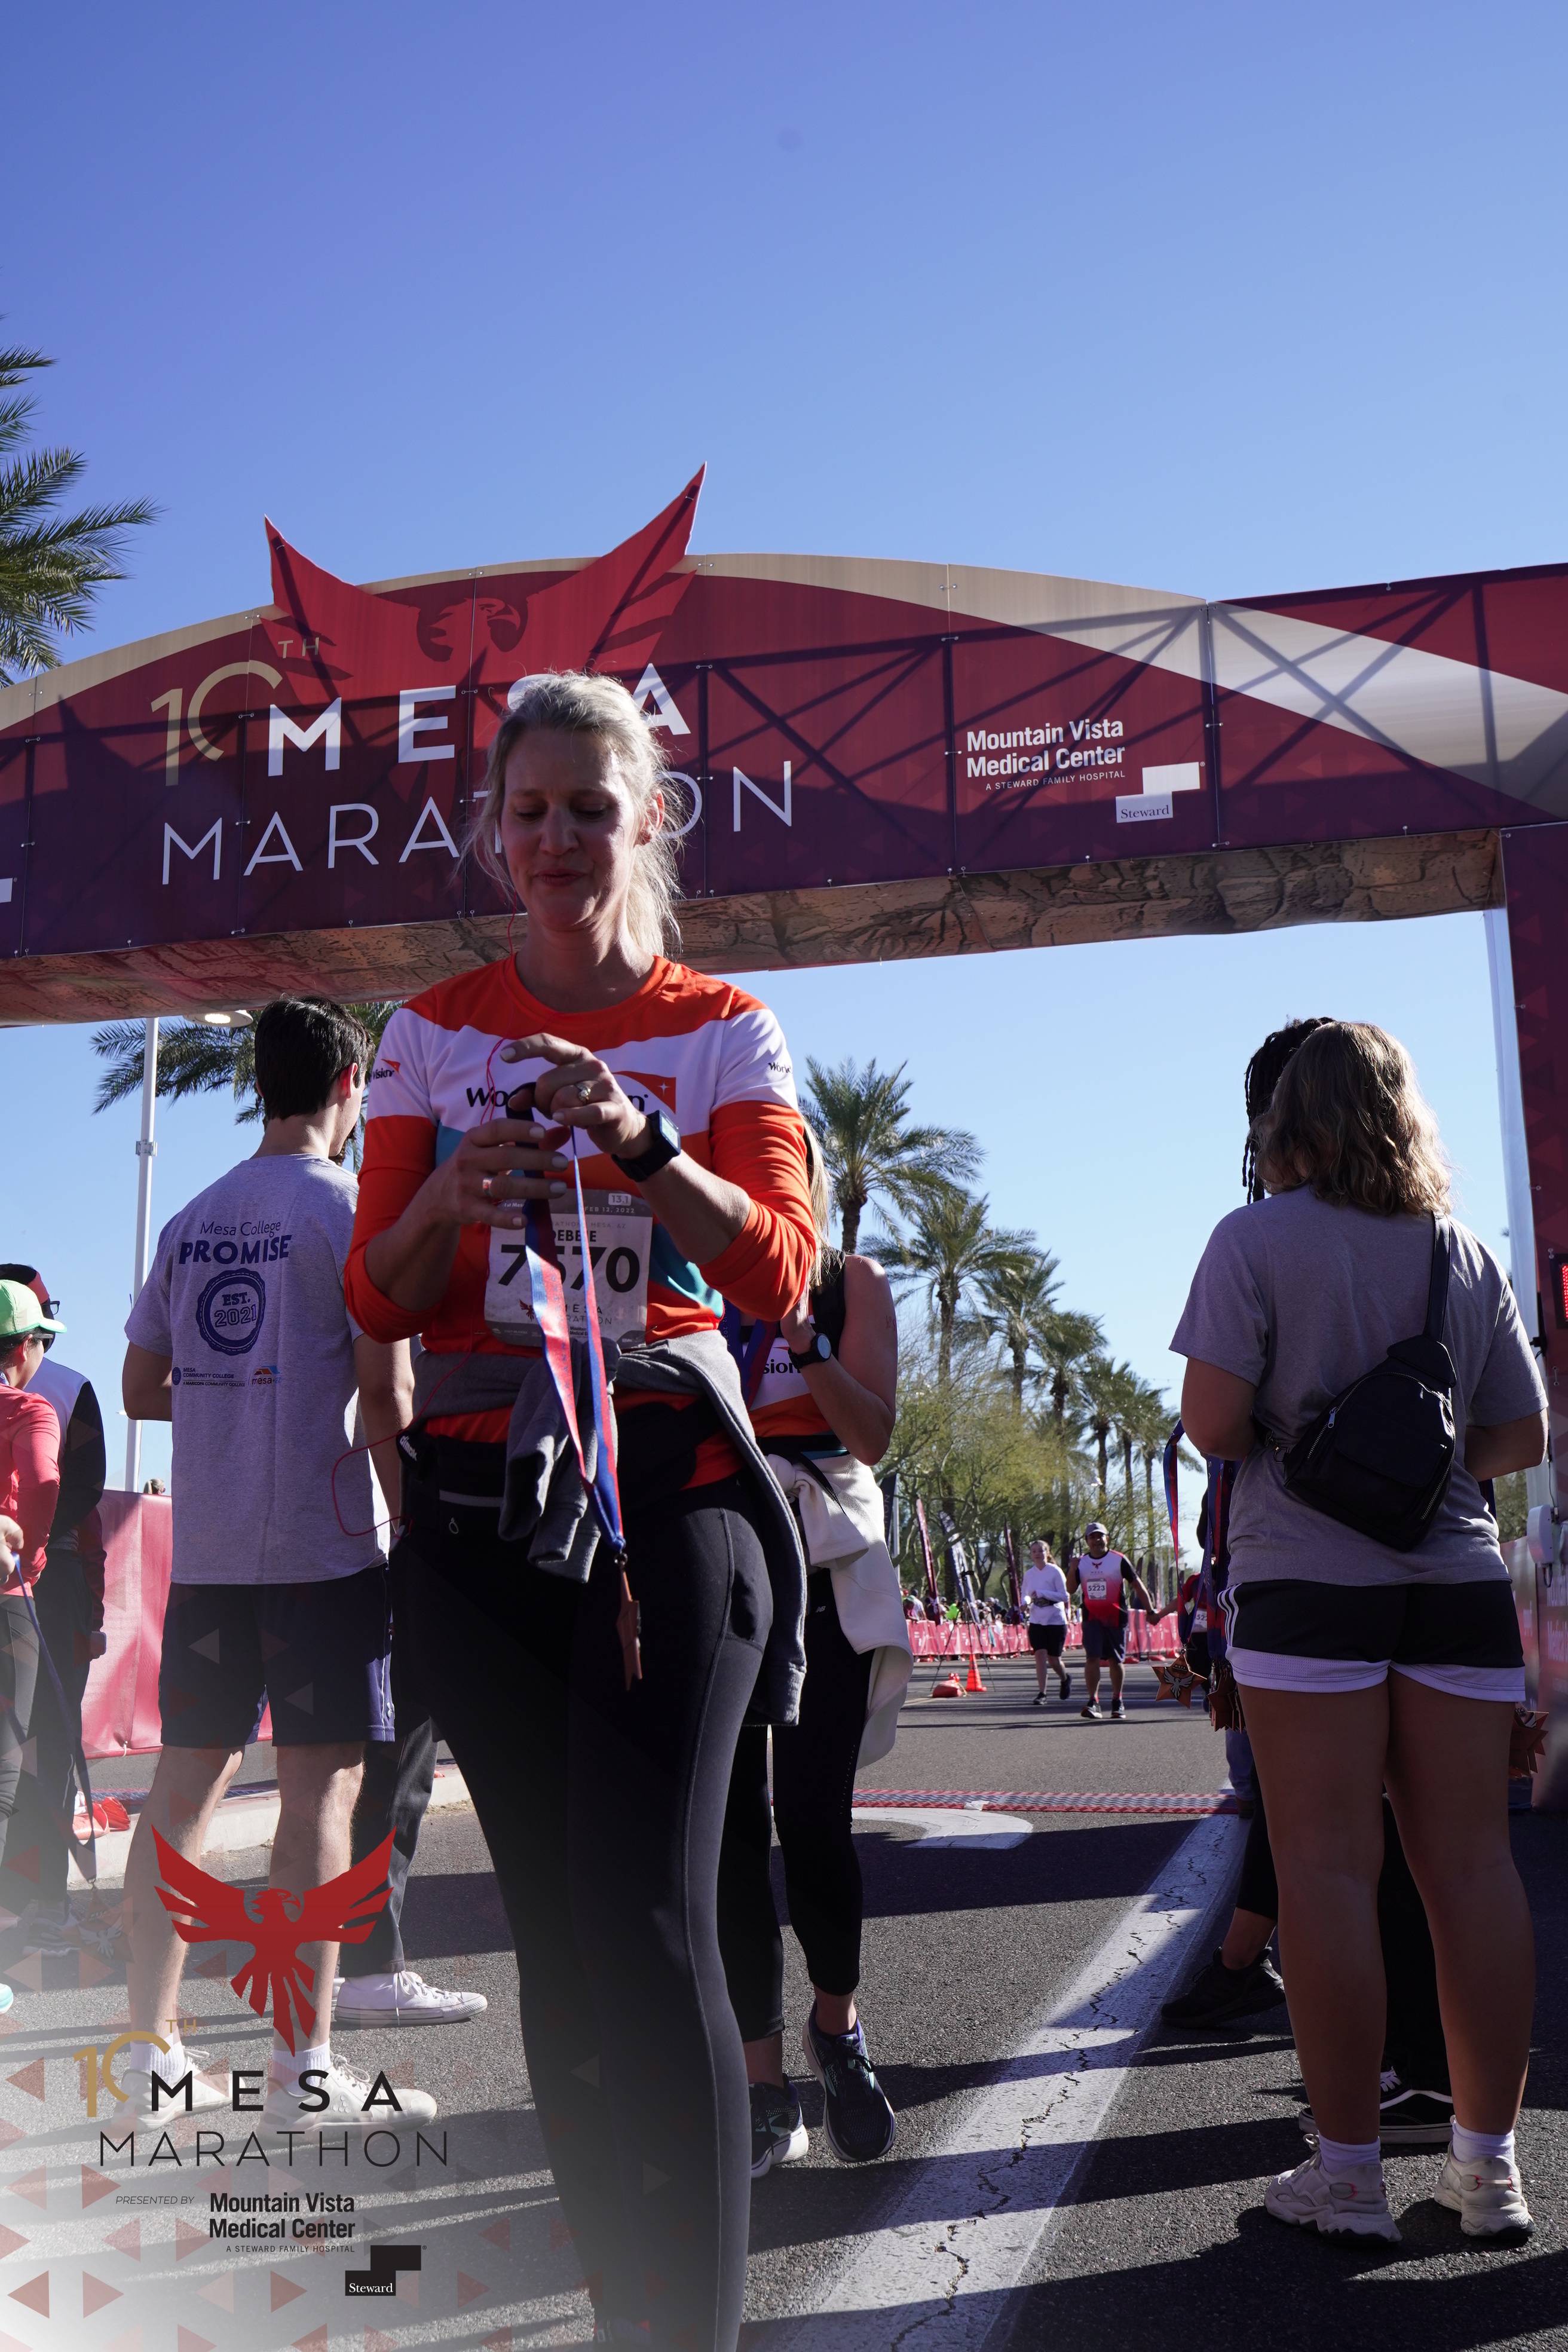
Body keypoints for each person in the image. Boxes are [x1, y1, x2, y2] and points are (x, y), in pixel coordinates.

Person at [344, 669, 815, 2352]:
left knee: (648, 1922)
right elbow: (378, 1295)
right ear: (494, 830)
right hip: (478, 1521)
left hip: (666, 1507)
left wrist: (638, 1137)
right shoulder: (427, 1033)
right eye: (528, 811)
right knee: (554, 1943)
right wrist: (449, 1198)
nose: (556, 840)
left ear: (648, 820)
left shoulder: (724, 1024)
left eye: (589, 810)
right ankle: (631, 2316)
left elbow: (779, 1272)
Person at [1174, 1021, 1546, 2244]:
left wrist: (1312, 1436)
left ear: (1288, 1120)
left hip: (1304, 1583)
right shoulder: (1461, 1250)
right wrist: (1413, 1463)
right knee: (1472, 1871)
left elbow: (1212, 1424)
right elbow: (1518, 1436)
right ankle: (1489, 2172)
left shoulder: (1250, 1240)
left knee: (1328, 1870)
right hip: (1454, 1581)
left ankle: (1345, 2177)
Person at [120, 997, 431, 2130]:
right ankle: (303, 2071)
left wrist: (236, 1392)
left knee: (180, 1794)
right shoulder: (350, 1211)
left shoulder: (193, 1215)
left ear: (261, 1083)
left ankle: (150, 2057)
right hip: (322, 1547)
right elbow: (389, 1397)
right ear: (350, 1084)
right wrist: (418, 1532)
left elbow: (142, 1387)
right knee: (320, 1796)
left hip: (208, 1554)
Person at [716, 1123, 908, 2177]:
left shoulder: (847, 1282)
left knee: (814, 1822)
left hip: (821, 1565)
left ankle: (835, 2028)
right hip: (716, 1548)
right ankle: (760, 2082)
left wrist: (802, 1338)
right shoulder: (692, 1277)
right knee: (729, 1834)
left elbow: (872, 1435)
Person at [0, 1267, 109, 1959]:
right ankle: (43, 1908)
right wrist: (33, 1549)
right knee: (42, 1746)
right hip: (42, 1577)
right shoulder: (65, 1387)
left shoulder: (62, 1388)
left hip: (40, 1572)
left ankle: (35, 1904)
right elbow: (82, 1485)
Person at [0, 1279, 68, 1998]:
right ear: (23, 1347)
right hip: (4, 1603)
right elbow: (43, 1482)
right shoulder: (27, 1408)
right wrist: (37, 1552)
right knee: (1, 1773)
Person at [1065, 1523, 1162, 1720]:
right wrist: (1072, 1569)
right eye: (1092, 1537)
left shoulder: (1118, 1559)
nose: (1096, 1540)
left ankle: (1118, 1700)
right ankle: (1093, 1701)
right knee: (1092, 1658)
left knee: (1115, 1661)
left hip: (1115, 1618)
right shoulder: (1081, 1563)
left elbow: (1138, 1586)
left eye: (1100, 1536)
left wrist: (1150, 1610)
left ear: (1106, 1539)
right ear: (1087, 1541)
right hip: (1092, 1618)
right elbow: (1071, 1589)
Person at [1021, 1538, 1070, 1705]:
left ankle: (1065, 1678)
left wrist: (1043, 1593)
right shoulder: (1029, 1574)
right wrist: (1024, 1603)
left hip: (1055, 1620)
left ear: (1047, 1553)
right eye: (1034, 1551)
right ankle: (1042, 1693)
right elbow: (1026, 1594)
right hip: (1037, 1620)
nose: (1037, 1554)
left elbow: (1064, 1596)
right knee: (1040, 1656)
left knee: (1054, 1660)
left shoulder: (1055, 1571)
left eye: (1040, 1551)